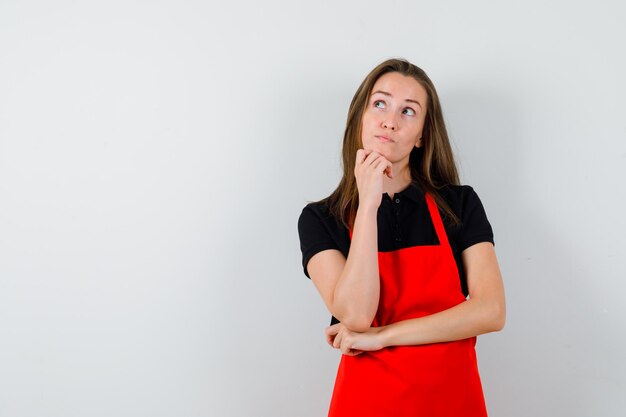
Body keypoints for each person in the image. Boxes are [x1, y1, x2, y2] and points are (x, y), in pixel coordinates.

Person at [297, 58, 506, 417]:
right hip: (365, 404)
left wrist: (383, 336)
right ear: (360, 117)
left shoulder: (459, 204)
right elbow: (357, 316)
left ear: (423, 134)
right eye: (380, 103)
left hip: (452, 403)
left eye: (408, 111)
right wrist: (367, 205)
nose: (390, 120)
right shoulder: (321, 218)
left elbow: (491, 311)